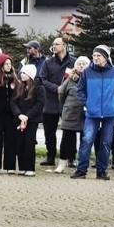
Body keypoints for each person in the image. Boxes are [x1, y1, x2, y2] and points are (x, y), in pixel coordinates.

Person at [72, 43, 114, 180]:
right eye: (94, 55)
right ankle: (81, 170)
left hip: (110, 114)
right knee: (87, 140)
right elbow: (79, 91)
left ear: (106, 57)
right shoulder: (87, 72)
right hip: (92, 113)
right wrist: (87, 103)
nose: (95, 58)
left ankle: (101, 171)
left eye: (98, 55)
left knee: (106, 142)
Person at [37, 38, 69, 169]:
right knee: (49, 132)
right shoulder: (48, 62)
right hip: (50, 102)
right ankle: (50, 157)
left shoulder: (72, 61)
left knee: (68, 131)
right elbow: (42, 79)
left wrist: (65, 89)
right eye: (53, 44)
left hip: (67, 102)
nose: (54, 46)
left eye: (57, 44)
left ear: (64, 46)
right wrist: (56, 88)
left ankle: (69, 157)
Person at [58, 56, 89, 175]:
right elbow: (61, 93)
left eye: (84, 64)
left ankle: (81, 164)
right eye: (79, 63)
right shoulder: (69, 79)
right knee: (66, 139)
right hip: (70, 112)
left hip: (86, 114)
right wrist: (64, 108)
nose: (81, 66)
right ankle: (62, 164)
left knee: (85, 140)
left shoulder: (90, 78)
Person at [10, 63, 43, 175]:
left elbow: (39, 104)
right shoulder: (19, 87)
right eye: (22, 73)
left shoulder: (39, 88)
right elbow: (13, 102)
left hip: (32, 120)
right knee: (19, 143)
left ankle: (30, 168)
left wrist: (27, 116)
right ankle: (22, 167)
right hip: (19, 119)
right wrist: (19, 114)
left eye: (25, 73)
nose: (22, 75)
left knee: (29, 143)